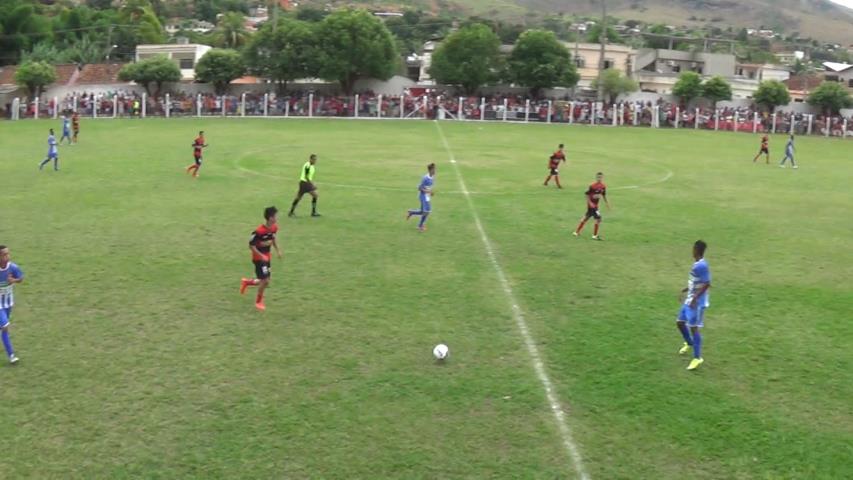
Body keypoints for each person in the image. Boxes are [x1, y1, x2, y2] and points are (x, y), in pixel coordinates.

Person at [676, 240, 712, 371]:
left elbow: (707, 283)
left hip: (696, 303)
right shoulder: (697, 264)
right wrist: (686, 290)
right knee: (680, 322)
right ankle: (689, 343)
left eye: (693, 248)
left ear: (697, 250)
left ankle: (697, 358)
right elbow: (697, 281)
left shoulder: (701, 266)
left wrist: (695, 298)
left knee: (694, 328)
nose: (692, 251)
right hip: (690, 299)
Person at [240, 207, 282, 311]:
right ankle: (258, 301)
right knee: (265, 280)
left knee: (264, 280)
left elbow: (273, 238)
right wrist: (261, 255)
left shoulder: (274, 228)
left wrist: (278, 250)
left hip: (267, 257)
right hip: (259, 258)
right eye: (276, 216)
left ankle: (247, 282)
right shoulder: (258, 231)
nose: (277, 218)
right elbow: (251, 246)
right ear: (271, 218)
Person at [0, 245, 23, 364]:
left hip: (8, 303)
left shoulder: (13, 267)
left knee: (3, 330)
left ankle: (11, 354)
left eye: (8, 254)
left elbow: (21, 278)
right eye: (4, 255)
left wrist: (13, 280)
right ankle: (12, 355)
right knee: (5, 326)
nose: (7, 256)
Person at [573, 172, 610, 240]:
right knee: (598, 218)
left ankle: (576, 232)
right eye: (598, 177)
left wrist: (607, 203)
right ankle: (594, 236)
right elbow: (586, 194)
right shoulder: (592, 186)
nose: (599, 178)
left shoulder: (603, 186)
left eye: (601, 177)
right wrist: (590, 203)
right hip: (592, 206)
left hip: (595, 206)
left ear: (602, 178)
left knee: (586, 217)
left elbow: (604, 195)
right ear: (596, 178)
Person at [406, 163, 436, 232]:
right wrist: (428, 192)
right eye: (434, 169)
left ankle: (411, 212)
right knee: (426, 211)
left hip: (427, 197)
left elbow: (429, 187)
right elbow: (419, 188)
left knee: (423, 211)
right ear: (430, 170)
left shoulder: (432, 177)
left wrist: (431, 192)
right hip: (423, 196)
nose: (435, 171)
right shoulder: (425, 178)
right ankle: (420, 226)